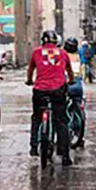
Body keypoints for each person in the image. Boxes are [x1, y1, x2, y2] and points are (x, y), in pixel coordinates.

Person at [26, 30, 76, 165]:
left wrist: (29, 80)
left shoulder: (37, 52)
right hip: (58, 90)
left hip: (40, 90)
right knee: (61, 122)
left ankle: (34, 148)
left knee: (36, 118)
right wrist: (71, 81)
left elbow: (30, 70)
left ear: (43, 41)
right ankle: (64, 155)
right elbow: (69, 71)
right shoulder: (63, 53)